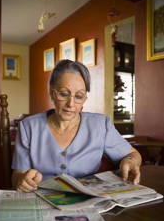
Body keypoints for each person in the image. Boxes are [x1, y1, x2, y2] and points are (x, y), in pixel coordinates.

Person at [12, 60, 142, 192]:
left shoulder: (101, 125)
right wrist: (22, 180)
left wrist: (130, 161)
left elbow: (132, 154)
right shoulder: (28, 127)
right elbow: (17, 175)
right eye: (63, 94)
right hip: (42, 199)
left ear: (84, 99)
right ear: (52, 93)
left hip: (89, 198)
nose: (71, 104)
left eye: (79, 96)